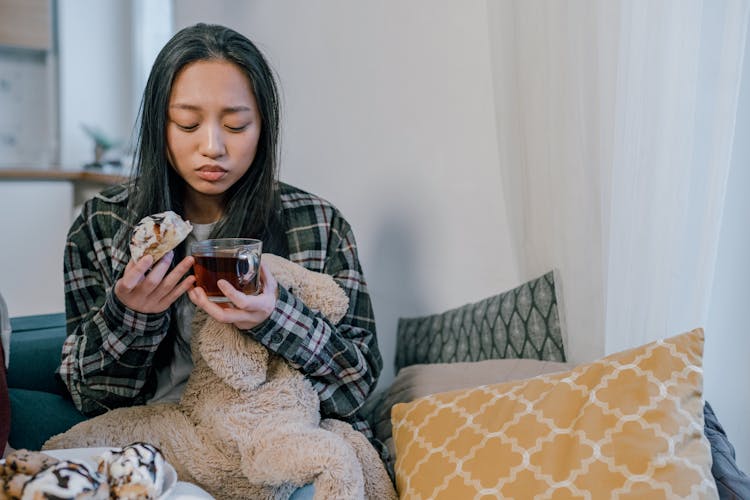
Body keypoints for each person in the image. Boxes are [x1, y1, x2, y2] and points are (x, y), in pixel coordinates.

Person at [58, 23, 385, 490]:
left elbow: (357, 388)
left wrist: (273, 319)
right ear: (158, 125)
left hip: (276, 445)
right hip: (160, 447)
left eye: (236, 125)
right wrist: (132, 317)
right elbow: (90, 399)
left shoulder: (317, 223)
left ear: (263, 127)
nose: (212, 147)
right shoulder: (101, 224)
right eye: (188, 124)